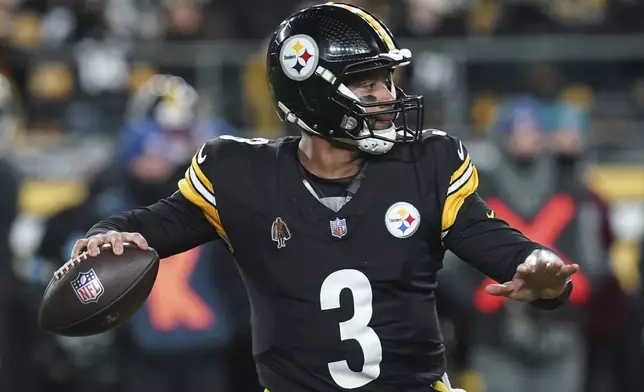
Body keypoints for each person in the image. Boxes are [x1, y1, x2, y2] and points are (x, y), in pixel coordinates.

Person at [71, 3, 579, 392]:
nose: (387, 96)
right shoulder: (240, 174)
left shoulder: (426, 164)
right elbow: (155, 224)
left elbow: (488, 237)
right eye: (367, 83)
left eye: (386, 80)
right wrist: (105, 235)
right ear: (310, 91)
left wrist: (540, 270)